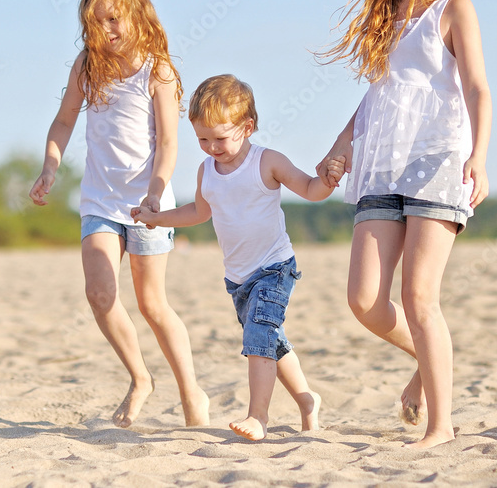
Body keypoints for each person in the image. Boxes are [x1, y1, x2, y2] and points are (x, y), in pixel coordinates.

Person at [315, 0, 492, 448]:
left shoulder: (453, 8)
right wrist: (339, 147)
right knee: (365, 300)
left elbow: (478, 88)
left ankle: (441, 425)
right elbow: (376, 100)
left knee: (419, 297)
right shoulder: (384, 19)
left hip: (439, 161)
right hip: (380, 166)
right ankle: (427, 356)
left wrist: (479, 156)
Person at [29, 0, 210, 428]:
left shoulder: (158, 69)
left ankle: (192, 392)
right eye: (96, 22)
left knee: (152, 304)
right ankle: (140, 378)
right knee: (99, 291)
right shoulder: (88, 66)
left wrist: (155, 193)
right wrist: (50, 165)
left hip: (150, 202)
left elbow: (169, 143)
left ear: (136, 14)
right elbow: (64, 121)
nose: (106, 30)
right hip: (100, 202)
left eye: (113, 19)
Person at [132, 74, 345, 440]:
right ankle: (307, 400)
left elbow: (310, 189)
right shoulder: (207, 172)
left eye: (220, 138)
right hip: (238, 279)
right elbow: (198, 212)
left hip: (275, 268)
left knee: (259, 336)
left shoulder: (268, 162)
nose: (211, 147)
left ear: (247, 127)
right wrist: (159, 219)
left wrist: (327, 179)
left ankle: (257, 417)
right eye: (202, 139)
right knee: (272, 342)